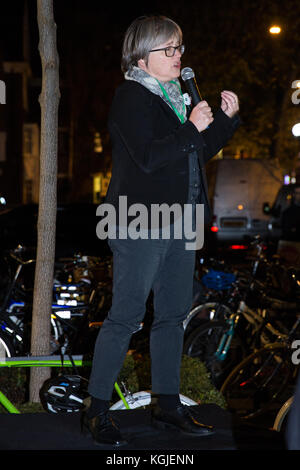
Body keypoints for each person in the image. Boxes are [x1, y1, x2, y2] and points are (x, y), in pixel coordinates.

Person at [82, 15, 240, 447]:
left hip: (182, 221)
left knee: (172, 317)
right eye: (168, 49)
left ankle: (167, 406)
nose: (178, 56)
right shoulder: (131, 97)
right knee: (126, 318)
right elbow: (150, 158)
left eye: (180, 47)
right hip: (140, 222)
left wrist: (223, 121)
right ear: (141, 56)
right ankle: (95, 409)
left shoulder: (177, 96)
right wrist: (193, 126)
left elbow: (195, 152)